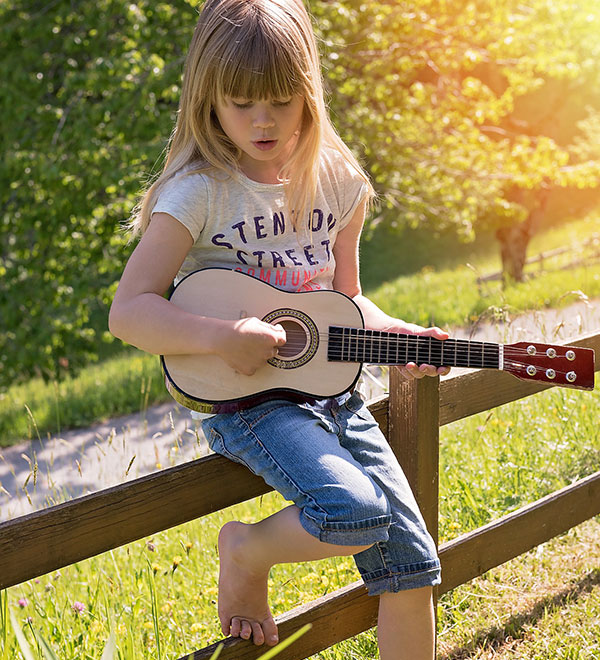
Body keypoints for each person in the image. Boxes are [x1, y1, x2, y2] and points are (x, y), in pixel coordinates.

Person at [109, 1, 450, 658]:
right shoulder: (198, 192)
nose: (262, 120)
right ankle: (246, 548)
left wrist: (402, 336)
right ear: (208, 101)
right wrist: (218, 336)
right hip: (253, 402)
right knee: (355, 512)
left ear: (309, 92)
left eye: (281, 101)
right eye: (241, 104)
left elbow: (346, 302)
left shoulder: (337, 180)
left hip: (335, 390)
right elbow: (130, 310)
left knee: (413, 565)